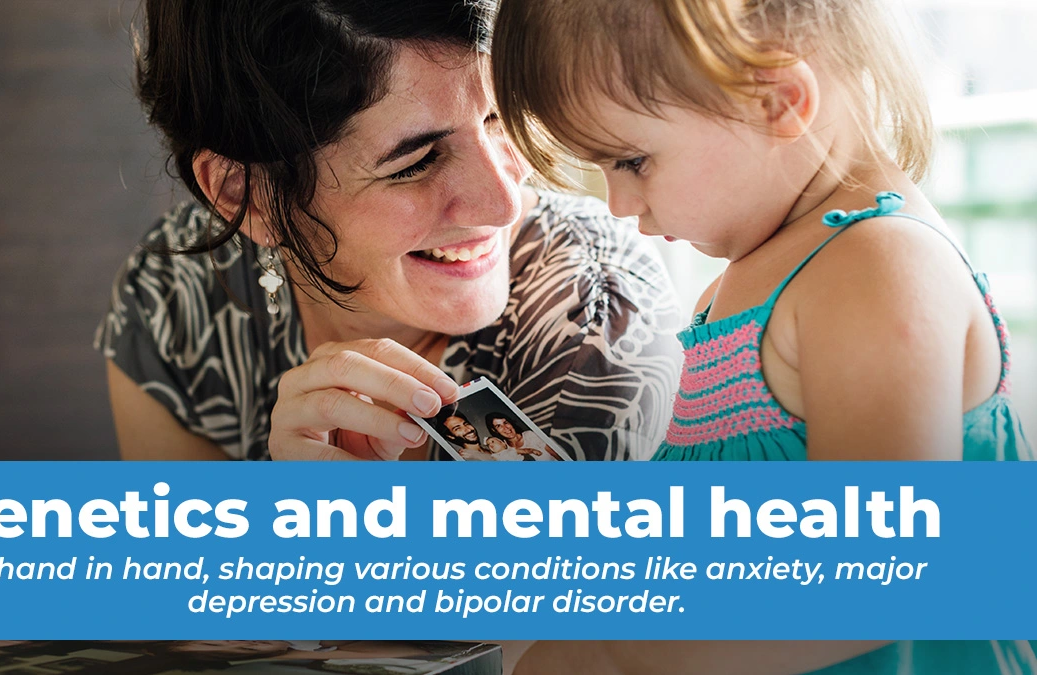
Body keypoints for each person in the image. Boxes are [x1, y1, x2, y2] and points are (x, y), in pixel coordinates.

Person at [490, 0, 1032, 672]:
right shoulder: (741, 283)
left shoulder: (877, 268)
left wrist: (615, 652)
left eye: (631, 160)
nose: (619, 205)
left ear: (779, 100)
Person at [95, 0, 683, 462]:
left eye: (501, 119)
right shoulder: (172, 300)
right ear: (240, 195)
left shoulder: (599, 326)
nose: (506, 204)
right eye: (416, 162)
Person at [486, 411, 559, 460]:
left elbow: (555, 453)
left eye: (505, 422)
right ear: (494, 430)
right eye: (499, 426)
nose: (505, 427)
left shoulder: (530, 435)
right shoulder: (503, 450)